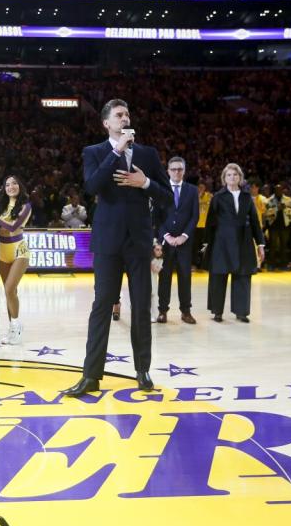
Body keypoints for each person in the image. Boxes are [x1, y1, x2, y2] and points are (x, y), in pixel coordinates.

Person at [62, 99, 169, 397]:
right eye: (119, 115)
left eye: (128, 114)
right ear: (106, 123)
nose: (125, 118)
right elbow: (93, 186)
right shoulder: (94, 152)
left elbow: (165, 198)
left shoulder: (148, 154)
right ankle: (91, 376)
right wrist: (117, 151)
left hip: (137, 242)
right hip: (108, 242)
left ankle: (142, 370)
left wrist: (144, 182)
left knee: (140, 307)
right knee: (101, 307)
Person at [205, 163, 265, 323]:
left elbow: (254, 222)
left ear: (240, 177)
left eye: (235, 175)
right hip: (221, 242)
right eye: (229, 175)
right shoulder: (217, 197)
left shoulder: (247, 198)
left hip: (243, 241)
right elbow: (210, 222)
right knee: (218, 276)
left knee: (243, 276)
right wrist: (207, 244)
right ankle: (217, 311)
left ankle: (241, 312)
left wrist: (260, 244)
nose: (232, 178)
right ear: (224, 178)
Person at [0, 175, 32, 344]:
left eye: (15, 183)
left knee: (9, 289)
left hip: (19, 251)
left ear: (20, 186)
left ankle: (17, 327)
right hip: (2, 251)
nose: (11, 186)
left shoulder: (26, 206)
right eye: (8, 184)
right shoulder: (1, 207)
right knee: (10, 292)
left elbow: (13, 227)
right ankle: (12, 328)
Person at [154, 157, 200, 324]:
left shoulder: (192, 190)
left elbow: (195, 216)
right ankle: (162, 311)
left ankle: (186, 311)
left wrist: (183, 236)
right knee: (164, 278)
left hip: (184, 243)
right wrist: (166, 236)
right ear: (168, 171)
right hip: (166, 243)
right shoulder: (160, 189)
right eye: (173, 169)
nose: (176, 172)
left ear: (184, 171)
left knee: (185, 277)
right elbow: (156, 217)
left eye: (180, 169)